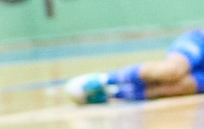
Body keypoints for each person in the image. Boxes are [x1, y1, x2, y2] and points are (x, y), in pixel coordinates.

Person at [66, 31, 204, 104]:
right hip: (200, 42)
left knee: (176, 88)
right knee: (172, 71)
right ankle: (105, 79)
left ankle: (114, 93)